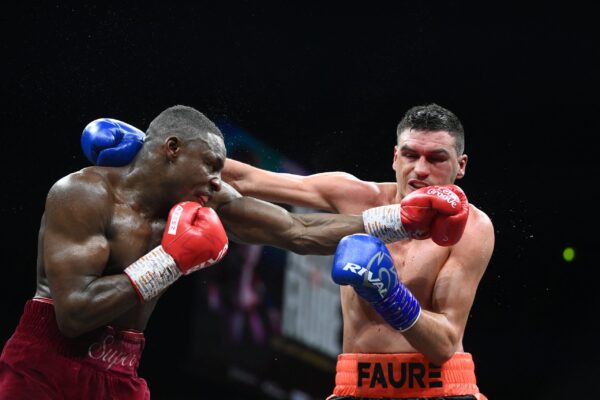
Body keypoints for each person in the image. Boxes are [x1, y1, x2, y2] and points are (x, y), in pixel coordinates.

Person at [0, 105, 467, 400]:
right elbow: (73, 316)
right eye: (209, 167)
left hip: (122, 374)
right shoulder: (82, 194)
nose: (216, 181)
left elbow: (297, 230)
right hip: (47, 365)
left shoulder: (206, 200)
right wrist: (172, 259)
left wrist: (401, 220)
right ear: (171, 149)